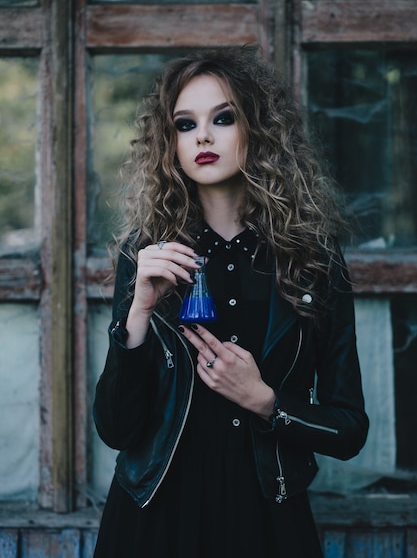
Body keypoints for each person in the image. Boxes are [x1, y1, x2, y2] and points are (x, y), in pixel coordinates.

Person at [93, 46, 369, 558]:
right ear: (168, 143)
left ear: (257, 130)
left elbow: (349, 428)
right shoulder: (147, 254)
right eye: (184, 124)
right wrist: (138, 314)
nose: (202, 136)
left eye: (223, 118)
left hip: (267, 514)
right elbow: (117, 428)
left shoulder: (313, 259)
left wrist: (265, 402)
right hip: (155, 515)